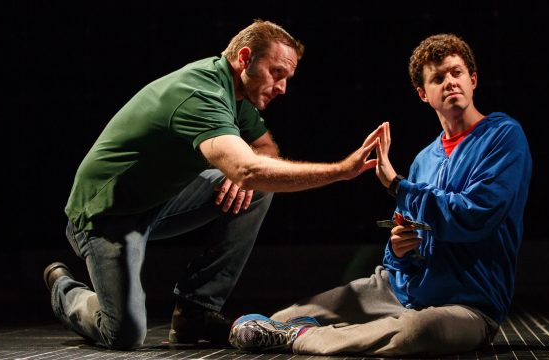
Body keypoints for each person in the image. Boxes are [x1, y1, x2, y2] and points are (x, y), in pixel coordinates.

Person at [42, 19, 384, 350]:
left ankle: (195, 309)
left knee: (259, 187)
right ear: (245, 58)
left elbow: (266, 150)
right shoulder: (200, 92)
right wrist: (341, 170)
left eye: (287, 78)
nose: (282, 87)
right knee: (124, 333)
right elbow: (247, 168)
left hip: (157, 203)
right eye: (277, 73)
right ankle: (65, 292)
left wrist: (246, 177)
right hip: (105, 216)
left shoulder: (236, 93)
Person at [229, 33, 533, 357]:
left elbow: (476, 215)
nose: (450, 83)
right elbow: (406, 239)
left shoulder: (503, 135)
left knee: (419, 331)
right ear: (423, 94)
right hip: (396, 291)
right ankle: (316, 331)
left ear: (473, 80)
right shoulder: (424, 160)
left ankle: (304, 338)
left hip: (467, 305)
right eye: (438, 78)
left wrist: (396, 185)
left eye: (457, 73)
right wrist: (399, 250)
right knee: (274, 320)